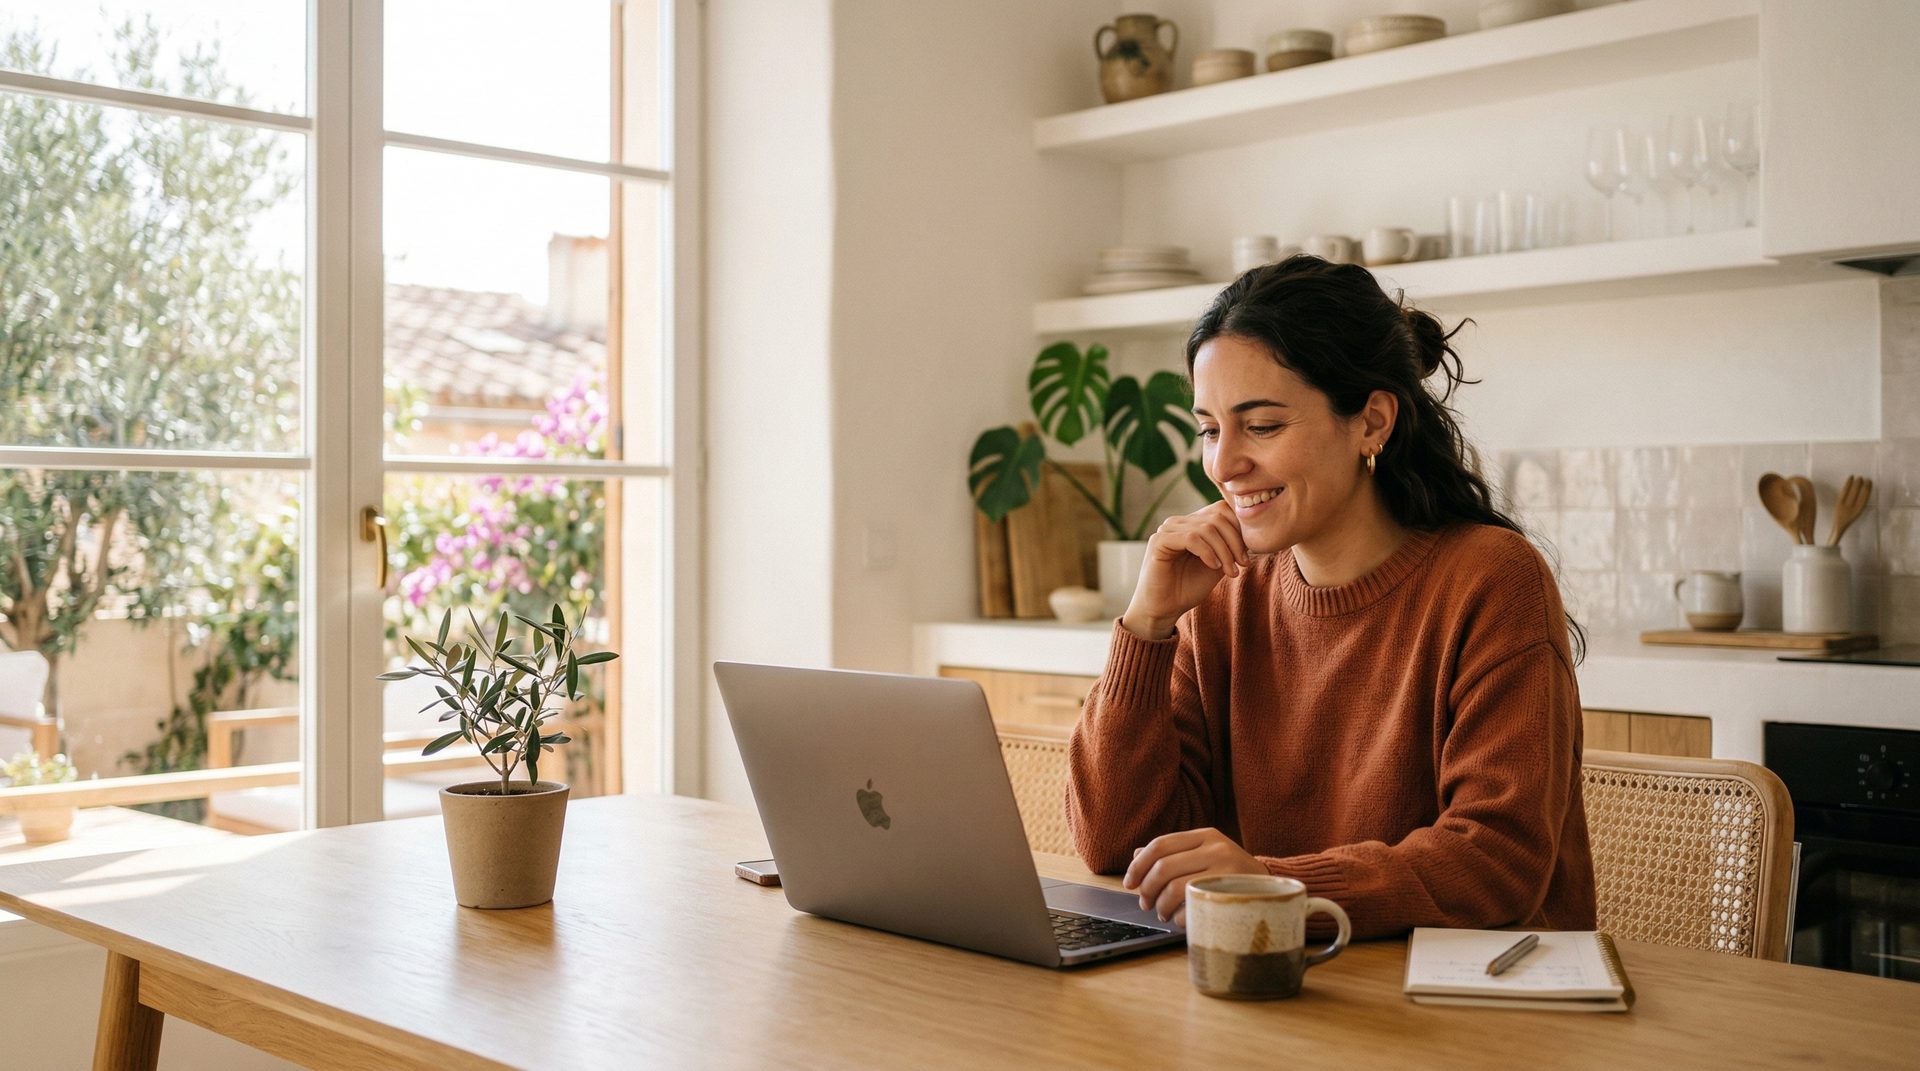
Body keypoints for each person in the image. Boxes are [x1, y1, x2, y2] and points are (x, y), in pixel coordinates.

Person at [1066, 254, 1596, 938]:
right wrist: (1147, 625)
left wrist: (1277, 887)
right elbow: (1115, 841)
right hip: (1293, 993)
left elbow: (1496, 861)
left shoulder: (1492, 580)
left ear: (1372, 421)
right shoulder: (1223, 595)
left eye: (1261, 426)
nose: (1223, 464)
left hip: (1476, 1011)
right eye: (1208, 428)